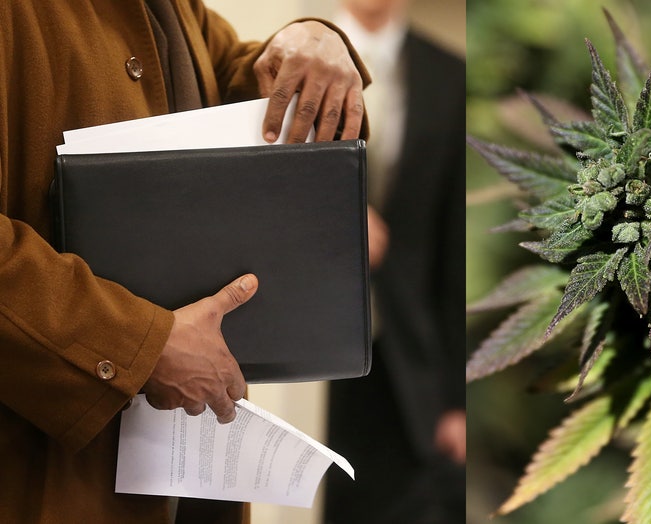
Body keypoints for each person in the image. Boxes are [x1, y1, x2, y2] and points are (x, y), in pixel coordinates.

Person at [0, 2, 370, 523]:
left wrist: (314, 43)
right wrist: (138, 345)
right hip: (44, 474)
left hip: (194, 473)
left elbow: (242, 76)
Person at [323, 1, 465, 523]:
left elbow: (453, 243)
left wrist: (458, 397)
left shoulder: (448, 74)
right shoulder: (291, 56)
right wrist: (338, 209)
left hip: (408, 352)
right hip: (316, 338)